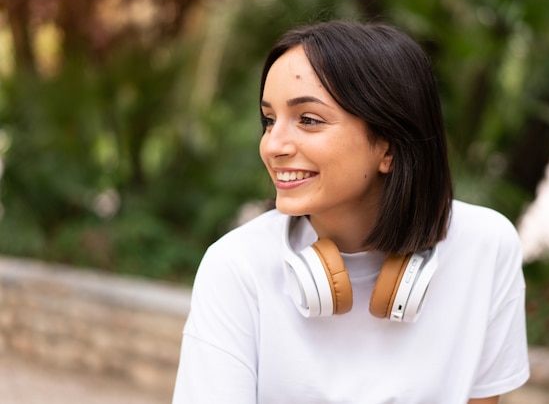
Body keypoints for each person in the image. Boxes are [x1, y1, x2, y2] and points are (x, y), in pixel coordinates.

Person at [172, 20, 529, 404]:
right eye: (269, 120)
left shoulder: (486, 246)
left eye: (308, 119)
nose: (272, 145)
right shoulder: (236, 266)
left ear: (389, 147)